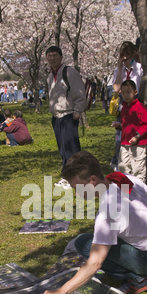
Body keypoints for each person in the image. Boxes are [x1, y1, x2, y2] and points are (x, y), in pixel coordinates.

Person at [40, 151, 147, 294]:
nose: (76, 193)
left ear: (92, 180)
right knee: (100, 240)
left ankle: (138, 279)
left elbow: (95, 263)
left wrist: (60, 292)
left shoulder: (108, 211)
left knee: (83, 243)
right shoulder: (124, 178)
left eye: (77, 188)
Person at [46, 45, 86, 189]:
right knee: (62, 149)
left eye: (55, 55)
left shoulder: (69, 72)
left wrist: (78, 109)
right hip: (57, 116)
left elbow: (79, 92)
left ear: (61, 57)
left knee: (71, 148)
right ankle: (67, 175)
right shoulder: (50, 76)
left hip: (69, 114)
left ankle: (76, 178)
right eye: (49, 56)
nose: (52, 58)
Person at [111, 80, 147, 183]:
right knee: (122, 165)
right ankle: (126, 189)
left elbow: (146, 125)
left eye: (128, 92)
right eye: (123, 93)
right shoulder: (123, 108)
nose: (126, 95)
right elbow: (126, 125)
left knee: (137, 168)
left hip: (138, 143)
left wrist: (137, 136)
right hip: (125, 143)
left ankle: (139, 190)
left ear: (135, 92)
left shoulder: (140, 107)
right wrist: (118, 125)